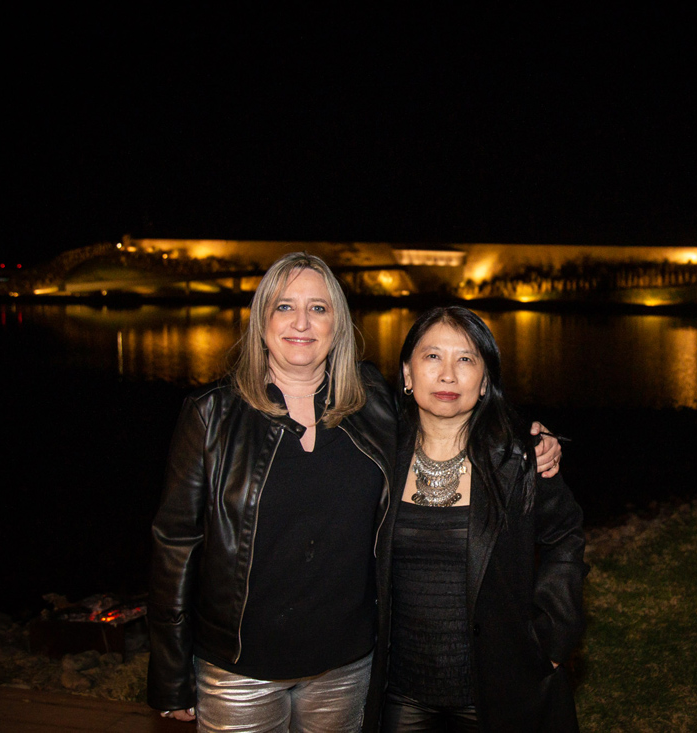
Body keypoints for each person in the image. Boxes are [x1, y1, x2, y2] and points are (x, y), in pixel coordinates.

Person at [146, 253, 561, 732]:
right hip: (239, 672)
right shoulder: (211, 416)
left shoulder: (371, 403)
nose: (302, 322)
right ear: (261, 320)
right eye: (284, 306)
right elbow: (175, 546)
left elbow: (446, 420)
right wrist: (171, 671)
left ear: (338, 324)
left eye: (318, 308)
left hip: (345, 671)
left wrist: (527, 442)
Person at [365, 306, 587, 732]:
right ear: (407, 374)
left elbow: (565, 538)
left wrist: (554, 638)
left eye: (465, 359)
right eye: (432, 356)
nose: (448, 375)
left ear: (485, 382)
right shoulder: (377, 457)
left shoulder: (519, 460)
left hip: (499, 691)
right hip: (401, 693)